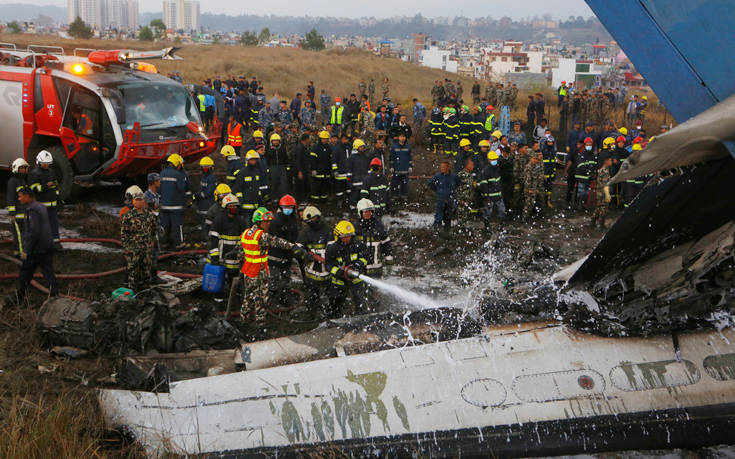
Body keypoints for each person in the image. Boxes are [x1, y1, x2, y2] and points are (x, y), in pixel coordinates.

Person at [239, 207, 306, 323]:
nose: (269, 224)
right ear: (259, 222)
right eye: (266, 222)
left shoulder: (246, 233)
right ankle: (260, 325)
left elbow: (240, 254)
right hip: (259, 273)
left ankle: (244, 321)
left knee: (248, 297)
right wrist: (293, 247)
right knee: (261, 300)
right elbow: (277, 241)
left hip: (247, 272)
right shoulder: (261, 236)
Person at [7, 187, 58, 305]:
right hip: (47, 245)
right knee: (48, 271)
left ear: (28, 196)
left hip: (36, 248)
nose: (19, 199)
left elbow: (33, 231)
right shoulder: (41, 206)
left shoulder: (32, 210)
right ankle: (55, 295)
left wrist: (26, 250)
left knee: (25, 273)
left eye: (20, 196)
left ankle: (17, 298)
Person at [325, 220, 369, 318]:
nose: (347, 238)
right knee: (335, 303)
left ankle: (363, 319)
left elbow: (365, 258)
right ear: (338, 236)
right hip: (338, 283)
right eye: (344, 236)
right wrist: (340, 273)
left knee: (360, 301)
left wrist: (357, 265)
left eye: (349, 236)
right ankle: (332, 321)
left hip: (356, 281)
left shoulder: (358, 245)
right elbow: (328, 266)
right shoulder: (332, 249)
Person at [296, 206, 331, 314]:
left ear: (319, 217)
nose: (312, 223)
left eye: (314, 219)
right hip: (311, 273)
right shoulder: (305, 232)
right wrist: (309, 256)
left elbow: (335, 249)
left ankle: (330, 314)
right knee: (312, 299)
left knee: (331, 298)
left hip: (328, 273)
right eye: (309, 221)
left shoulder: (328, 230)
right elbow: (297, 250)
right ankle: (312, 314)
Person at [267, 195, 300, 310]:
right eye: (286, 207)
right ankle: (273, 304)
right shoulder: (276, 221)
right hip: (275, 257)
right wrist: (292, 248)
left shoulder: (292, 218)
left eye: (290, 207)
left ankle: (285, 300)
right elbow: (278, 241)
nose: (288, 209)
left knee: (286, 281)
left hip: (287, 257)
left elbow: (294, 235)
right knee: (274, 282)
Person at [121, 190, 157, 293]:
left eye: (141, 199)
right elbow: (124, 234)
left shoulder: (149, 215)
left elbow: (154, 230)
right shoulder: (128, 216)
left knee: (146, 270)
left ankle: (146, 291)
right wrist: (127, 248)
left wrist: (151, 242)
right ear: (133, 201)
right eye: (137, 200)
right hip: (133, 249)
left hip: (146, 248)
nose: (139, 202)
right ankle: (133, 291)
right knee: (133, 271)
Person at [28, 150, 61, 249]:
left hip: (52, 205)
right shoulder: (34, 173)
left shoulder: (51, 172)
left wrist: (58, 198)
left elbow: (55, 187)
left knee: (54, 224)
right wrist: (45, 186)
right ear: (39, 162)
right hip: (41, 206)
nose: (46, 166)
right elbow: (34, 189)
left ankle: (56, 242)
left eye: (48, 164)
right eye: (44, 164)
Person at [355, 198, 393, 279]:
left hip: (376, 268)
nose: (368, 214)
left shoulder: (378, 226)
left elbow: (386, 245)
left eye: (370, 211)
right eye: (365, 212)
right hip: (360, 268)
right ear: (360, 213)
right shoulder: (356, 228)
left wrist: (389, 261)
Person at [159, 154, 190, 249]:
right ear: (177, 163)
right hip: (176, 206)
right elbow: (181, 188)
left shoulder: (162, 173)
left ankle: (163, 243)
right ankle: (179, 244)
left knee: (164, 225)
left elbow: (159, 189)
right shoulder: (178, 175)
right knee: (177, 226)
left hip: (163, 205)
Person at [233, 150, 265, 224]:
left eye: (255, 160)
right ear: (247, 160)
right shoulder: (242, 172)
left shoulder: (257, 172)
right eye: (252, 160)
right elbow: (238, 188)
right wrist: (240, 201)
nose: (254, 162)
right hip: (245, 207)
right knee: (246, 226)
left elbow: (258, 187)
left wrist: (260, 199)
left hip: (256, 206)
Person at [427, 160, 458, 233]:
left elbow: (458, 184)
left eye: (444, 167)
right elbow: (430, 183)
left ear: (448, 167)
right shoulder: (438, 176)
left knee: (448, 218)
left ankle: (446, 233)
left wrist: (453, 191)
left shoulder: (453, 176)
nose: (442, 168)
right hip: (441, 199)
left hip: (449, 200)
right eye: (441, 167)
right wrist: (437, 190)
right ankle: (436, 232)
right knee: (438, 217)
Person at [6, 158, 29, 258]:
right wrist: (12, 214)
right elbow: (10, 198)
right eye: (22, 168)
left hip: (23, 212)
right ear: (17, 169)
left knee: (22, 234)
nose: (24, 170)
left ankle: (17, 251)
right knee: (19, 235)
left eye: (25, 168)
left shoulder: (23, 181)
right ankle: (21, 254)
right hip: (16, 214)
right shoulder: (13, 182)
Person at [480, 150, 506, 228]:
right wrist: (486, 195)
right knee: (488, 212)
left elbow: (499, 182)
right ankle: (486, 225)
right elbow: (484, 184)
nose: (495, 161)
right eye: (493, 159)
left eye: (495, 159)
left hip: (498, 194)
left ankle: (501, 225)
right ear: (489, 160)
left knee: (502, 211)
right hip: (490, 196)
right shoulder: (485, 171)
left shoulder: (497, 168)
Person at [265, 133, 292, 204]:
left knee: (283, 184)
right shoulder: (268, 149)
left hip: (281, 167)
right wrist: (268, 169)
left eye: (277, 140)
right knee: (274, 184)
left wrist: (287, 168)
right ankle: (274, 199)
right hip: (273, 168)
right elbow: (267, 160)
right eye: (274, 141)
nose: (276, 142)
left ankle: (283, 198)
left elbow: (286, 158)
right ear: (271, 141)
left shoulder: (282, 148)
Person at [195, 157, 216, 240]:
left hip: (208, 205)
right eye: (203, 167)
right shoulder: (204, 177)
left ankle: (207, 240)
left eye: (206, 167)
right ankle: (204, 240)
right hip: (202, 205)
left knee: (207, 224)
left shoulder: (212, 178)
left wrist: (198, 195)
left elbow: (208, 192)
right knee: (203, 224)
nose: (204, 169)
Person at [454, 158, 477, 233]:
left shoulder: (471, 175)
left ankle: (464, 231)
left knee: (466, 216)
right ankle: (459, 231)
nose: (473, 166)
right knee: (461, 216)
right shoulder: (461, 175)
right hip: (462, 200)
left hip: (468, 199)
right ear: (467, 165)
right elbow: (455, 188)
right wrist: (459, 199)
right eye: (471, 165)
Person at [310, 131, 333, 202]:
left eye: (326, 139)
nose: (325, 140)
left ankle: (324, 200)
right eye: (323, 139)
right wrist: (313, 169)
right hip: (318, 173)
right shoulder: (315, 148)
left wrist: (331, 170)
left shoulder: (329, 148)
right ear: (320, 139)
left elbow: (331, 160)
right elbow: (312, 160)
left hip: (326, 172)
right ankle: (315, 200)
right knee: (316, 187)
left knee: (325, 187)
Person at [575, 137, 598, 208]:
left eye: (590, 144)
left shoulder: (593, 156)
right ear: (584, 145)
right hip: (582, 177)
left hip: (588, 178)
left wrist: (594, 173)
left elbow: (594, 165)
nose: (589, 146)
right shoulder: (581, 155)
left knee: (586, 193)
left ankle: (583, 204)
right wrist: (588, 173)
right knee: (581, 192)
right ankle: (578, 204)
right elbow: (581, 165)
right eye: (587, 144)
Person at [523, 150, 545, 220]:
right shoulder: (528, 167)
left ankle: (536, 216)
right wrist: (529, 189)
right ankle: (525, 217)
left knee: (538, 202)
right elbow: (527, 180)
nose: (535, 160)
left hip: (537, 187)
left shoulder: (537, 166)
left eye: (536, 159)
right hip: (530, 188)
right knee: (529, 203)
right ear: (531, 158)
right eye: (534, 159)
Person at [390, 132, 413, 201]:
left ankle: (404, 196)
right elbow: (392, 157)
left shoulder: (408, 147)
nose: (402, 138)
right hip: (396, 169)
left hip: (405, 170)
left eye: (403, 136)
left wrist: (410, 166)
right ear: (398, 137)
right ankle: (395, 196)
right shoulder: (394, 147)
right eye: (401, 136)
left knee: (404, 184)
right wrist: (391, 166)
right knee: (395, 184)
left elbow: (410, 158)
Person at [591, 154, 612, 228]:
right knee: (604, 208)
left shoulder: (601, 169)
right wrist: (607, 195)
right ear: (606, 161)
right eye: (610, 160)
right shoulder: (605, 171)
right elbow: (605, 184)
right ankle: (601, 224)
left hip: (599, 191)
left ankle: (593, 221)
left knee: (598, 207)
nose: (611, 161)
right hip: (603, 192)